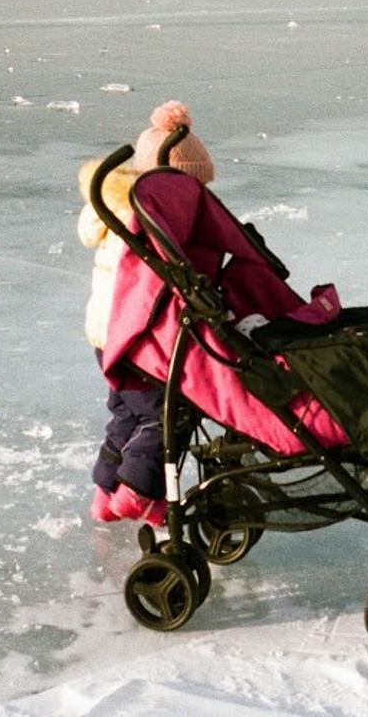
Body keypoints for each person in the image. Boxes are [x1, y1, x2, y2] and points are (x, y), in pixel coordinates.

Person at [78, 101, 218, 526]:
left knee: (126, 412)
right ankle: (137, 494)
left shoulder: (116, 213)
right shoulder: (148, 226)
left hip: (105, 337)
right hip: (136, 339)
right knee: (165, 415)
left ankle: (105, 493)